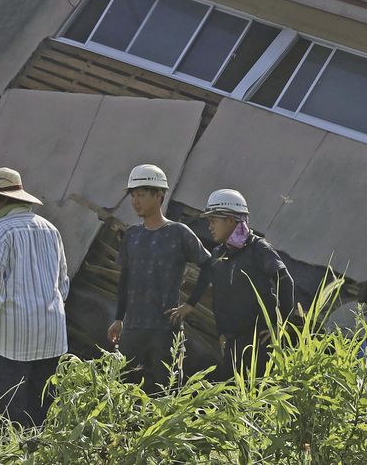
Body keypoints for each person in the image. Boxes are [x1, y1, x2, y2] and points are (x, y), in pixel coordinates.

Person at [0, 167, 69, 428]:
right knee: (43, 407)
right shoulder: (51, 229)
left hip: (13, 336)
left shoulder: (0, 231)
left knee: (9, 408)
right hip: (52, 333)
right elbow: (63, 285)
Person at [168, 189, 297, 378]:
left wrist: (280, 325)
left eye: (213, 221)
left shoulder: (257, 249)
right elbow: (216, 293)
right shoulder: (220, 254)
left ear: (230, 220)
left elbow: (285, 281)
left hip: (260, 342)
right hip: (232, 343)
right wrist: (220, 331)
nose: (210, 226)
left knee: (257, 395)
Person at [107, 164, 211, 393]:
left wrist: (190, 305)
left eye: (141, 195)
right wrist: (118, 319)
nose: (135, 201)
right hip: (133, 329)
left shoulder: (179, 233)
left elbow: (209, 265)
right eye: (133, 196)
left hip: (165, 330)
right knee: (123, 393)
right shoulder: (133, 235)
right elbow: (124, 280)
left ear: (159, 196)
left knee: (167, 393)